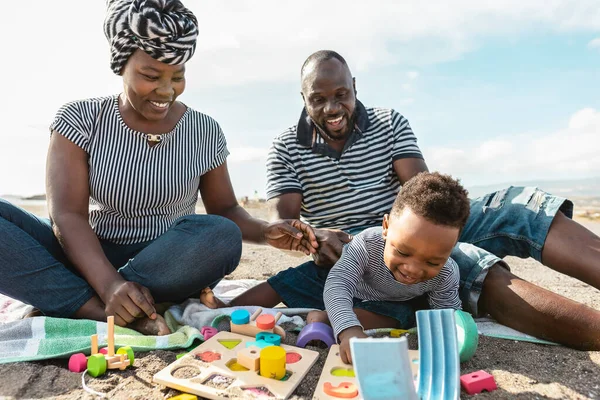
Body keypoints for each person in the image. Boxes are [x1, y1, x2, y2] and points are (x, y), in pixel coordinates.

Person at [209, 50, 600, 351]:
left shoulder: (389, 121)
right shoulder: (285, 147)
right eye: (318, 99)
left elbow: (421, 190)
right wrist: (308, 235)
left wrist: (426, 236)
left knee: (516, 208)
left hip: (412, 223)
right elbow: (286, 219)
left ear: (355, 87)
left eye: (341, 95)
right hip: (360, 249)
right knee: (460, 265)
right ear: (303, 98)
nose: (332, 109)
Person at [0, 0, 317, 336]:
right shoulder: (80, 120)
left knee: (221, 236)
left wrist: (266, 232)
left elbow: (225, 211)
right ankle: (96, 309)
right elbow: (68, 216)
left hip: (167, 263)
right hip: (86, 254)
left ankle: (72, 297)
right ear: (121, 64)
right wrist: (108, 285)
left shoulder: (203, 131)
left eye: (177, 76)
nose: (166, 91)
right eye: (151, 76)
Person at [310, 172, 467, 363]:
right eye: (403, 252)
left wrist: (455, 339)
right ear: (386, 226)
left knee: (406, 315)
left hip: (387, 303)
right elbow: (338, 284)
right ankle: (337, 319)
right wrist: (349, 330)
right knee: (285, 284)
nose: (412, 269)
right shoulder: (366, 243)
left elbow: (447, 316)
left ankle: (325, 319)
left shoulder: (447, 273)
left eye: (432, 262)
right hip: (346, 287)